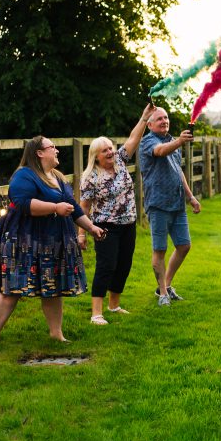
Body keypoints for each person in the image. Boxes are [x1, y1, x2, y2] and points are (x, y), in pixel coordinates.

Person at [0, 137, 105, 346]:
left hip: (53, 240)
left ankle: (56, 334)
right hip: (24, 240)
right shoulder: (24, 175)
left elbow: (73, 207)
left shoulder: (57, 176)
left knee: (53, 287)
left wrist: (91, 228)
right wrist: (55, 208)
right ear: (39, 153)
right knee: (11, 289)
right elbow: (23, 203)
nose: (57, 150)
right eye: (52, 147)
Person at [78, 104, 153, 324]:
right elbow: (84, 208)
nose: (110, 152)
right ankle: (96, 313)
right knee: (106, 266)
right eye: (105, 151)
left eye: (111, 148)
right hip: (105, 227)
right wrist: (82, 234)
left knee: (123, 264)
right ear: (96, 157)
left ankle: (114, 305)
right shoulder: (91, 177)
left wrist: (144, 117)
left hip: (128, 223)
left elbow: (133, 139)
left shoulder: (120, 161)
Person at [138, 107, 200, 306]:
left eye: (166, 117)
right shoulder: (148, 141)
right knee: (160, 250)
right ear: (150, 124)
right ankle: (163, 294)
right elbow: (160, 151)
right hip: (158, 204)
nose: (164, 121)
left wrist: (191, 197)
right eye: (159, 119)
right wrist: (180, 141)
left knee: (184, 246)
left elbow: (177, 171)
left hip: (177, 203)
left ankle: (165, 285)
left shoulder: (172, 140)